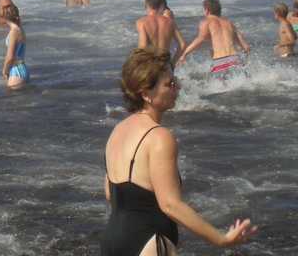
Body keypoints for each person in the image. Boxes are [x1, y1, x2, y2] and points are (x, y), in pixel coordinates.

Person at [101, 48, 257, 255]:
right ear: (146, 93)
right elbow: (170, 205)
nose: (178, 87)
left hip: (113, 239)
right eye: (170, 84)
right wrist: (221, 239)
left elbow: (110, 193)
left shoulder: (118, 130)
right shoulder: (159, 137)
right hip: (148, 241)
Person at [177, 0, 250, 75]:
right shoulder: (229, 23)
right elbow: (246, 47)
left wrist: (184, 54)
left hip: (220, 61)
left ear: (207, 10)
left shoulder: (207, 21)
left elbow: (200, 39)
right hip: (235, 60)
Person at [136, 0, 186, 64]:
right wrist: (173, 63)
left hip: (149, 66)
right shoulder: (170, 22)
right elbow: (183, 44)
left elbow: (143, 47)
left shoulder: (141, 22)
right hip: (165, 65)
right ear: (161, 6)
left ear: (147, 5)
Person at [2, 5, 29, 89]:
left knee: (11, 100)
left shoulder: (14, 32)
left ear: (4, 18)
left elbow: (10, 57)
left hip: (16, 71)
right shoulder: (20, 29)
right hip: (22, 68)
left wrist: (5, 70)